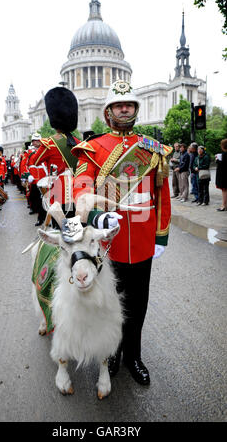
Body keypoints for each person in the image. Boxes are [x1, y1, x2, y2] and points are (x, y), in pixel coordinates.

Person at [72, 80, 172, 385]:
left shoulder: (151, 149)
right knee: (109, 304)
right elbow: (81, 187)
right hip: (108, 243)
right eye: (118, 104)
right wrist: (98, 215)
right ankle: (111, 354)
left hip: (142, 242)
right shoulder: (93, 149)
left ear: (135, 109)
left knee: (138, 304)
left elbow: (162, 195)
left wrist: (161, 236)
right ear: (108, 111)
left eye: (129, 104)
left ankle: (134, 356)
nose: (124, 108)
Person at [28, 86, 80, 226]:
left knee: (59, 230)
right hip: (78, 191)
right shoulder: (80, 143)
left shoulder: (50, 144)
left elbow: (34, 161)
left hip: (59, 193)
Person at [215, 138, 227, 211]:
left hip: (224, 176)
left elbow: (223, 166)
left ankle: (224, 205)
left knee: (224, 190)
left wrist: (217, 160)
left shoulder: (223, 155)